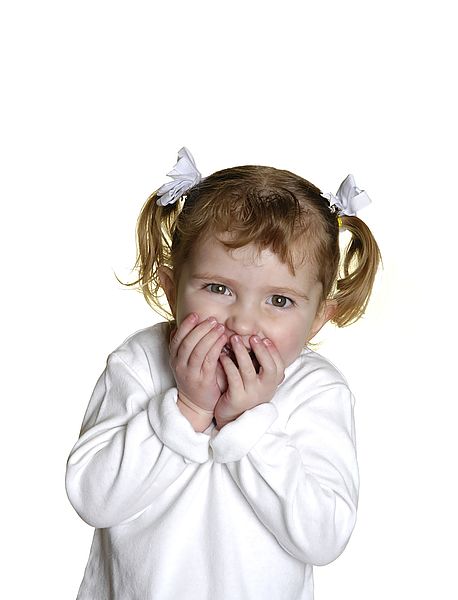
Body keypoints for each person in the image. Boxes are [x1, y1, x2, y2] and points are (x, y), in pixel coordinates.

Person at [65, 148, 381, 599]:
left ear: (318, 318)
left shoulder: (316, 390)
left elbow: (324, 536)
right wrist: (186, 409)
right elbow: (92, 499)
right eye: (218, 288)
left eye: (280, 300)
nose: (243, 322)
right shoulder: (139, 362)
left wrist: (247, 423)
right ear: (172, 287)